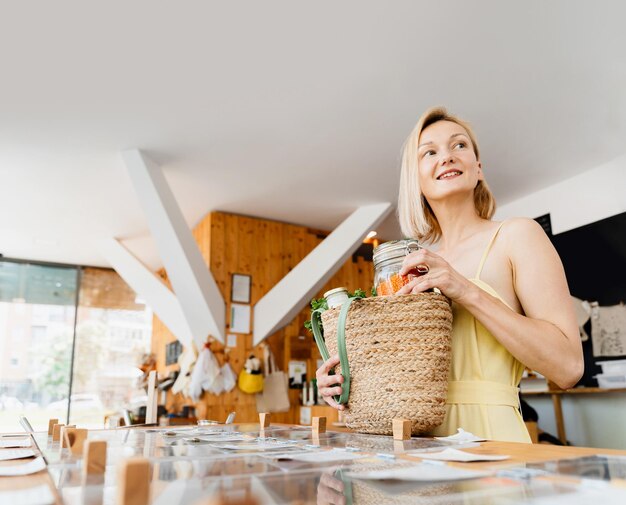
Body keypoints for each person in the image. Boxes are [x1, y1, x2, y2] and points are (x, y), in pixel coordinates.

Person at [316, 107, 584, 442]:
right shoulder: (411, 264)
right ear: (416, 178)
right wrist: (346, 382)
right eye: (430, 152)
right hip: (419, 449)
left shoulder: (518, 235)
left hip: (493, 445)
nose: (447, 157)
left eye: (459, 146)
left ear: (478, 167)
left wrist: (465, 289)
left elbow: (569, 367)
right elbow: (400, 372)